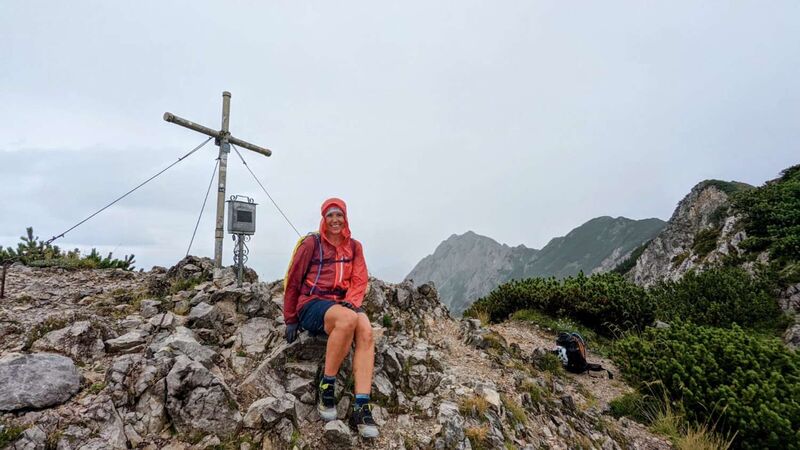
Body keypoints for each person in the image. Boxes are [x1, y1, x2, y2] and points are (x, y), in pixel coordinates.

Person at [283, 197, 378, 438]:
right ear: (323, 219)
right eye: (330, 215)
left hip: (342, 303)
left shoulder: (355, 247)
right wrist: (290, 318)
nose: (335, 220)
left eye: (339, 215)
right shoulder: (311, 244)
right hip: (312, 303)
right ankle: (327, 386)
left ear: (346, 218)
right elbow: (294, 280)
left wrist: (352, 302)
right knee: (348, 320)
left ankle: (362, 406)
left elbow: (359, 279)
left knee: (366, 331)